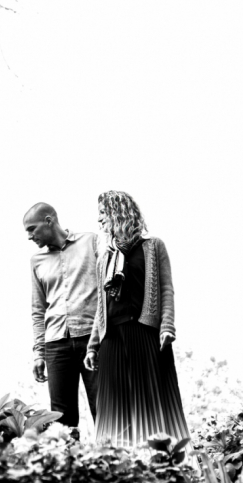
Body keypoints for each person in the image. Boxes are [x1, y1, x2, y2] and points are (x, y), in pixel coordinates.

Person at [83, 190, 190, 447]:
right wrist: (93, 345)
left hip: (146, 335)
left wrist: (167, 327)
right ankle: (119, 469)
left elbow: (166, 289)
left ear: (118, 212)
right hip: (113, 340)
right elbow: (101, 304)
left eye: (102, 213)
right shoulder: (104, 256)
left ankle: (164, 464)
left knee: (153, 406)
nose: (99, 220)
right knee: (113, 411)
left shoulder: (153, 247)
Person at [24, 201, 98, 427]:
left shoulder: (91, 242)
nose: (29, 236)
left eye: (32, 229)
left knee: (105, 410)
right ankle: (68, 461)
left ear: (49, 221)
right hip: (55, 345)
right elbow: (38, 311)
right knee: (61, 420)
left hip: (93, 340)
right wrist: (39, 353)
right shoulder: (36, 261)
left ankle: (112, 460)